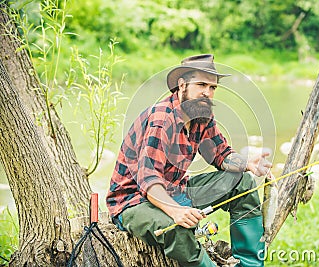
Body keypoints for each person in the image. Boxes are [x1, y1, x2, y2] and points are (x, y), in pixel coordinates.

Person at [106, 54, 272, 267]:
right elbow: (148, 178)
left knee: (243, 183)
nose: (207, 92)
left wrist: (247, 163)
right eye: (201, 84)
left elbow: (220, 154)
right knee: (176, 228)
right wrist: (177, 211)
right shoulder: (161, 118)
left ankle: (249, 264)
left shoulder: (202, 115)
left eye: (212, 87)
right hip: (134, 202)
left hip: (175, 191)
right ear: (182, 85)